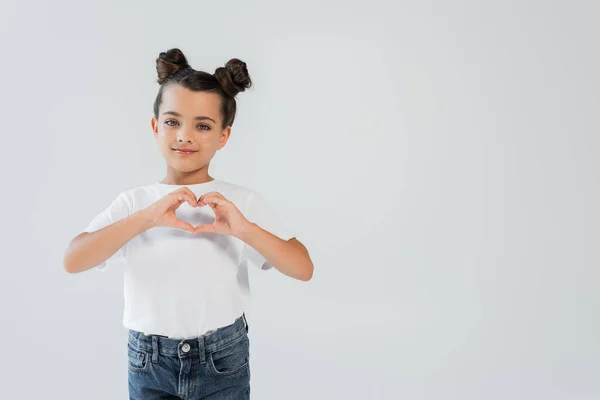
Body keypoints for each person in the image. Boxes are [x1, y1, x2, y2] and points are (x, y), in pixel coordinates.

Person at [63, 48, 314, 400]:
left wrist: (244, 229)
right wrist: (147, 217)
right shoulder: (135, 202)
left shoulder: (239, 202)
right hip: (149, 362)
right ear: (155, 126)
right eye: (172, 121)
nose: (185, 135)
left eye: (203, 125)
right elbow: (74, 259)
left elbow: (302, 267)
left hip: (222, 359)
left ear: (223, 136)